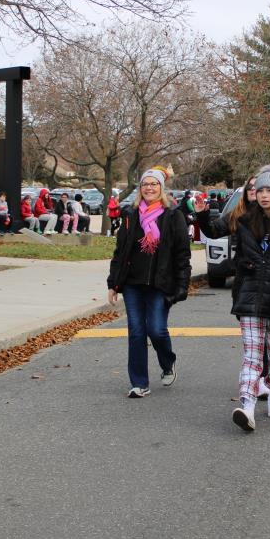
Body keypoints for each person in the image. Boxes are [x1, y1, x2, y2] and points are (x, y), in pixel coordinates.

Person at [214, 166, 270, 432]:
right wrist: (242, 267)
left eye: (269, 190)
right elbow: (240, 257)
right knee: (252, 355)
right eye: (260, 190)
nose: (264, 195)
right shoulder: (244, 223)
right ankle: (248, 405)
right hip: (251, 297)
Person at [107, 167, 191, 398]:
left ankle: (167, 362)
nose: (149, 188)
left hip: (160, 284)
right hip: (132, 283)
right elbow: (120, 251)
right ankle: (139, 383)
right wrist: (113, 283)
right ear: (140, 188)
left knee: (156, 330)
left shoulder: (173, 215)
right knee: (136, 332)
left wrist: (182, 286)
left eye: (154, 184)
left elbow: (182, 254)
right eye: (145, 184)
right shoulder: (130, 214)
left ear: (161, 188)